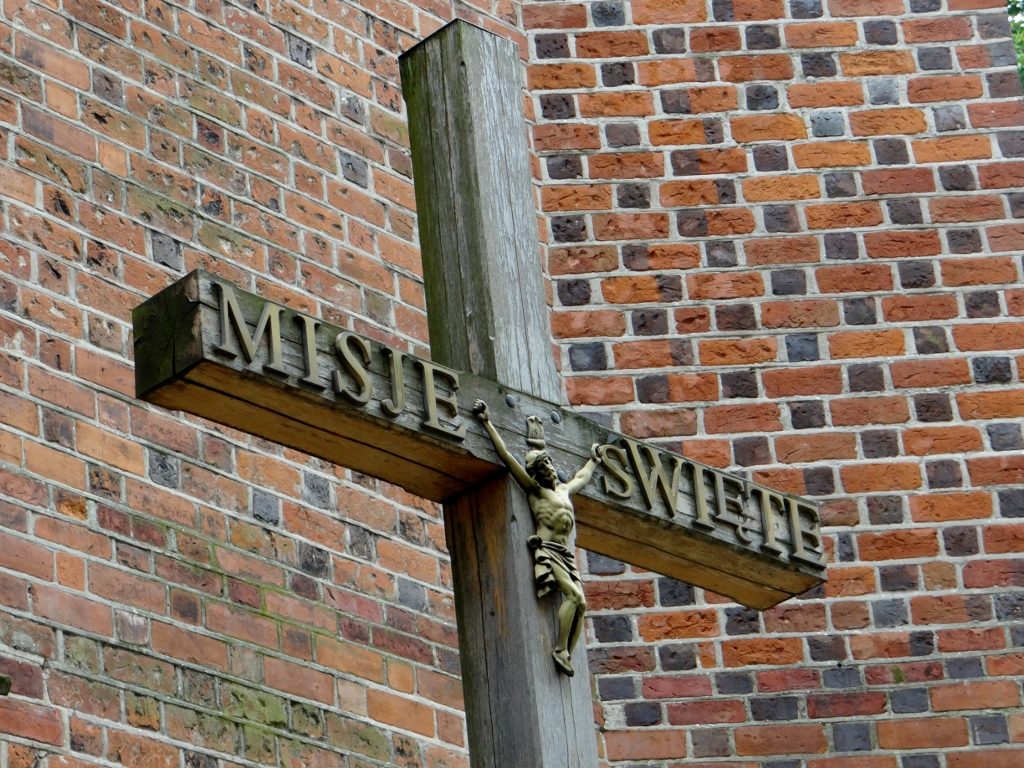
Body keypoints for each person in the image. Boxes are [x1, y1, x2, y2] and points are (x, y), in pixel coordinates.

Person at [472, 399, 602, 676]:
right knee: (575, 597)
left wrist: (594, 460)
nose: (548, 471)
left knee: (582, 604)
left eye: (548, 465)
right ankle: (559, 649)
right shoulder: (535, 491)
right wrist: (486, 422)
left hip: (566, 553)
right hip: (549, 549)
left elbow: (582, 476)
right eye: (542, 468)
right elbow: (507, 456)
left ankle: (566, 651)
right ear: (535, 473)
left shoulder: (565, 490)